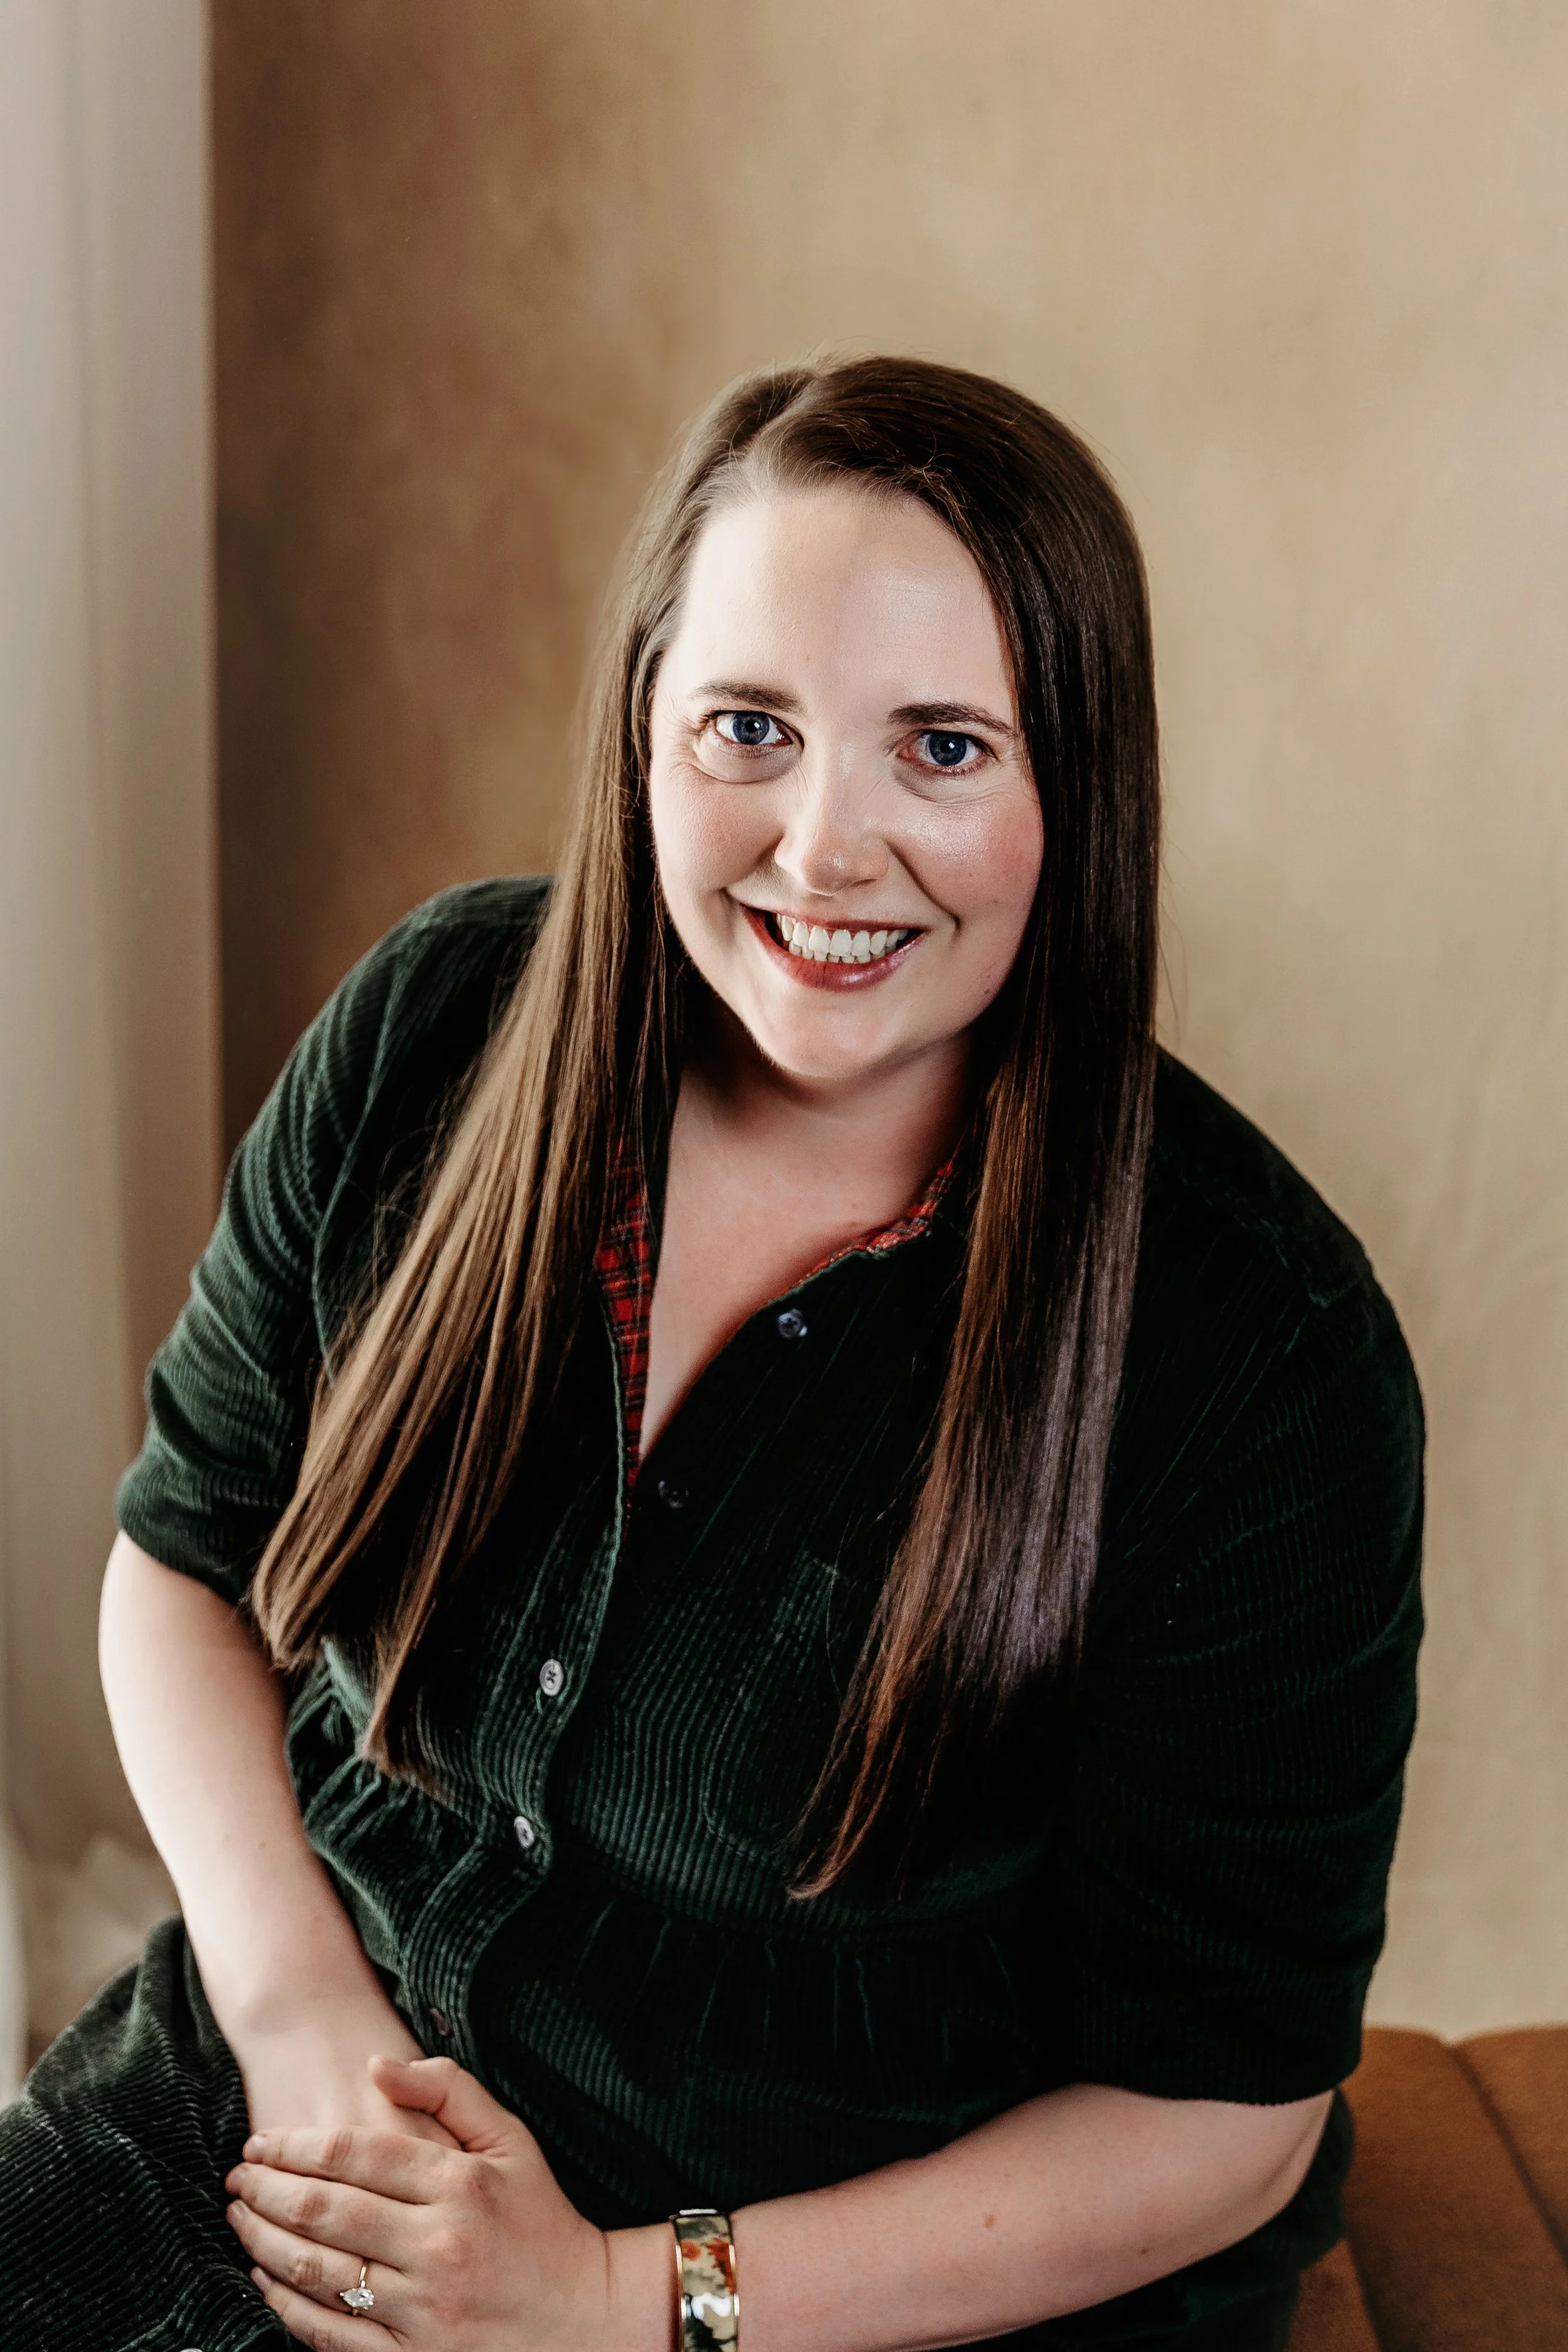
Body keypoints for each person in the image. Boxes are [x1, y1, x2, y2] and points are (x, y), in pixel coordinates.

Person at [0, 358, 1422, 2352]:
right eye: (748, 725)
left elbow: (1226, 2118)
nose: (825, 845)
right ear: (645, 733)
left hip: (829, 2280)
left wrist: (612, 2297)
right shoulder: (431, 1025)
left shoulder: (1261, 1359)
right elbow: (180, 1572)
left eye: (941, 746)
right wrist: (299, 2018)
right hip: (276, 2096)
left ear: (1075, 786)